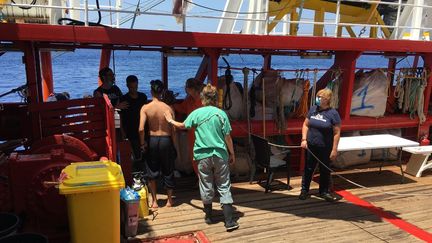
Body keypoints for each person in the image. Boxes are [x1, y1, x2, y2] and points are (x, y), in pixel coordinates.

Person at [165, 84, 239, 232]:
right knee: (224, 185)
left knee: (206, 184)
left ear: (203, 97)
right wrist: (232, 153)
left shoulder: (197, 113)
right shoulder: (220, 114)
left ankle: (209, 217)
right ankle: (229, 221)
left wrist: (170, 120)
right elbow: (228, 137)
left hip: (202, 155)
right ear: (215, 98)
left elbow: (182, 125)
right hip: (219, 155)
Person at [139, 79, 176, 208]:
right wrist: (174, 146)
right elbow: (173, 130)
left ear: (151, 91)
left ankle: (154, 201)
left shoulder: (145, 108)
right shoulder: (168, 108)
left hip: (152, 140)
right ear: (162, 92)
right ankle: (170, 200)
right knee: (168, 170)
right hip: (166, 140)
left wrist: (143, 144)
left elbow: (141, 129)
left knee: (152, 171)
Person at [299, 88, 341, 202]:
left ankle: (324, 192)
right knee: (308, 168)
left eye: (320, 97)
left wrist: (334, 149)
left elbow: (337, 133)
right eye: (317, 96)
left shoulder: (333, 114)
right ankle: (304, 190)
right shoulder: (313, 109)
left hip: (325, 147)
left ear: (327, 99)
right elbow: (306, 124)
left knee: (324, 170)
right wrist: (304, 139)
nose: (317, 99)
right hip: (311, 146)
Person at [173, 78, 203, 176]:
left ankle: (204, 180)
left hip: (203, 134)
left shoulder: (204, 101)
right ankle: (200, 179)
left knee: (203, 158)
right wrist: (172, 104)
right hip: (192, 135)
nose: (185, 89)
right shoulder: (189, 100)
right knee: (194, 158)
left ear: (192, 89)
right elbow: (182, 109)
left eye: (186, 87)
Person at [119, 75, 148, 166]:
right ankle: (138, 173)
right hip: (131, 131)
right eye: (131, 87)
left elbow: (147, 113)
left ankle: (146, 172)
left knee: (146, 152)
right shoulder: (123, 99)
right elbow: (120, 118)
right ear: (127, 86)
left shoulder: (143, 97)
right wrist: (123, 132)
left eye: (135, 87)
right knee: (136, 154)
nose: (134, 89)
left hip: (143, 129)